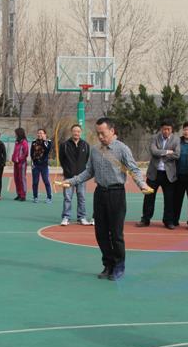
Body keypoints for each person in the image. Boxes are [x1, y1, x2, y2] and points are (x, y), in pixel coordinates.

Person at [63, 117, 152, 281]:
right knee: (101, 233)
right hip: (100, 194)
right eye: (98, 134)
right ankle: (108, 265)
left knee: (116, 234)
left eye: (103, 133)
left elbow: (133, 169)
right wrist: (72, 181)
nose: (100, 137)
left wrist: (142, 184)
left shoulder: (122, 149)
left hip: (116, 194)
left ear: (112, 131)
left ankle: (118, 266)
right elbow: (89, 171)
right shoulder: (95, 150)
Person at [137, 120, 179, 229]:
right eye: (164, 129)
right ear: (161, 129)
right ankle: (145, 219)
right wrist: (167, 152)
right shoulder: (154, 138)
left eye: (169, 129)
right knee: (149, 198)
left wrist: (161, 153)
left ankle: (168, 221)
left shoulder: (176, 139)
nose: (166, 131)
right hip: (154, 173)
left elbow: (177, 154)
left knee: (169, 199)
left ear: (171, 130)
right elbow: (153, 151)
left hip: (168, 175)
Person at [58, 124, 92, 225]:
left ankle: (82, 217)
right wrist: (67, 170)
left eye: (78, 131)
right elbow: (61, 159)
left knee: (82, 197)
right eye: (74, 131)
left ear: (81, 133)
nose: (76, 133)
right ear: (71, 132)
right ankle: (66, 217)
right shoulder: (64, 145)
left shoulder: (86, 145)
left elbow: (87, 160)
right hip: (69, 177)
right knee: (67, 198)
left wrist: (83, 173)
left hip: (81, 177)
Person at [31, 129, 53, 203]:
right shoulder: (34, 142)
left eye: (41, 133)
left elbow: (47, 150)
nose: (39, 134)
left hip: (44, 165)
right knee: (35, 182)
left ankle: (49, 197)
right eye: (38, 133)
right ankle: (35, 197)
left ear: (44, 134)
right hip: (36, 165)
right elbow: (31, 153)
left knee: (46, 181)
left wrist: (44, 141)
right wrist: (33, 163)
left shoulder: (48, 142)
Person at [12, 127, 29, 201]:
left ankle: (23, 195)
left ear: (19, 134)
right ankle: (19, 194)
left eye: (16, 134)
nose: (15, 135)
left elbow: (25, 153)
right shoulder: (17, 142)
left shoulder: (24, 142)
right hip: (16, 163)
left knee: (22, 179)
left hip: (22, 164)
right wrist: (13, 158)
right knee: (16, 178)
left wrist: (19, 159)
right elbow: (15, 152)